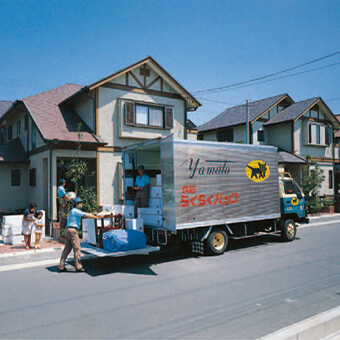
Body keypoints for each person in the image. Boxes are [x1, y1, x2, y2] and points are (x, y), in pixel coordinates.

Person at [59, 197, 100, 273]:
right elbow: (85, 215)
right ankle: (78, 266)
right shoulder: (76, 211)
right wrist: (97, 217)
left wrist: (94, 214)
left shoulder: (72, 211)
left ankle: (61, 266)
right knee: (77, 249)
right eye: (80, 203)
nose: (81, 204)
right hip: (73, 231)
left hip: (68, 230)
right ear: (77, 204)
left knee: (66, 249)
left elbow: (85, 213)